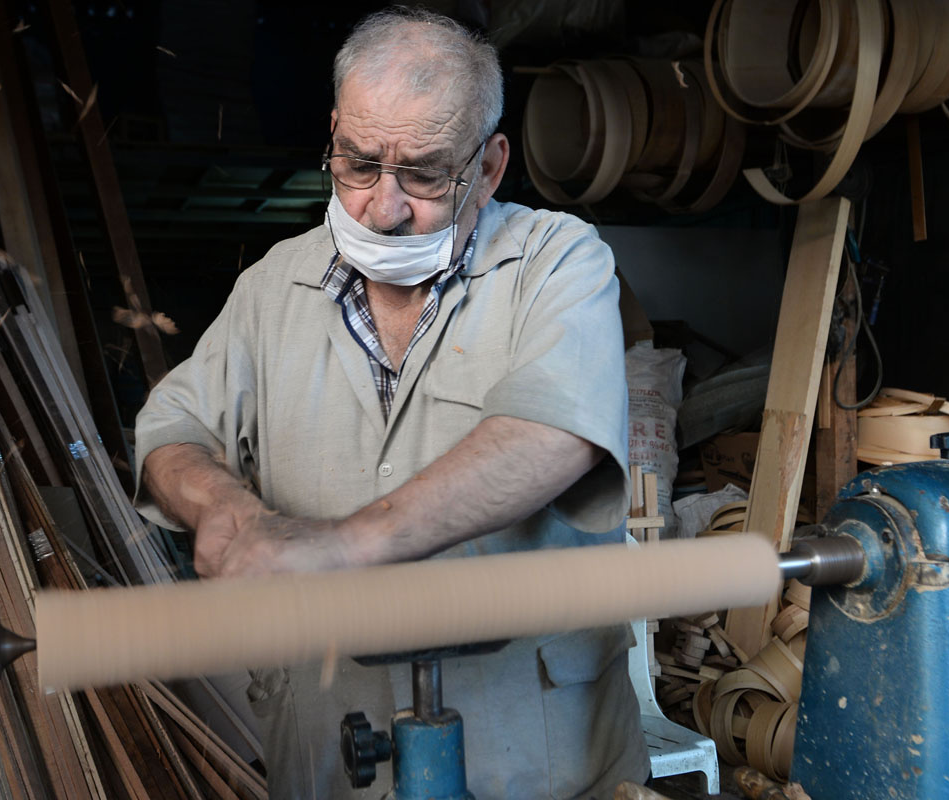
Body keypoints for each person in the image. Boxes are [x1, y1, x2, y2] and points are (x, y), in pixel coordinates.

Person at [134, 7, 648, 798]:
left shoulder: (559, 262)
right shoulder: (272, 285)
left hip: (538, 757)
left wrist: (343, 545)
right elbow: (173, 427)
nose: (383, 204)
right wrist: (224, 508)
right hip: (328, 749)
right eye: (360, 162)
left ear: (488, 165)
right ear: (334, 131)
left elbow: (553, 433)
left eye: (424, 173)